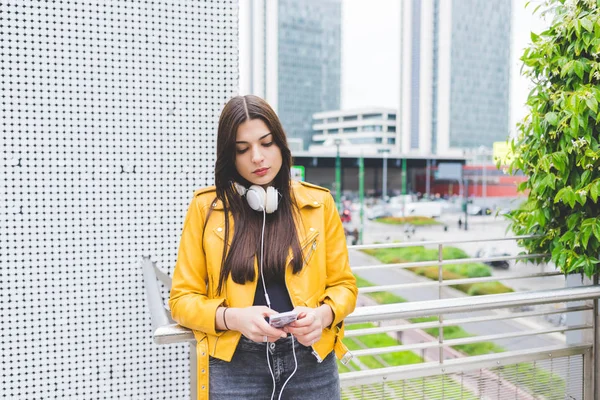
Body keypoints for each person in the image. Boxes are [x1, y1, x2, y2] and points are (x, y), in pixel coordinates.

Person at [169, 95, 358, 400]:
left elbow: (344, 287)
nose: (257, 157)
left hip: (311, 361)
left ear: (281, 145)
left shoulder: (318, 204)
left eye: (266, 143)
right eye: (242, 150)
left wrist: (322, 317)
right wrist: (233, 318)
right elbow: (181, 300)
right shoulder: (206, 209)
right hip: (236, 366)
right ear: (230, 157)